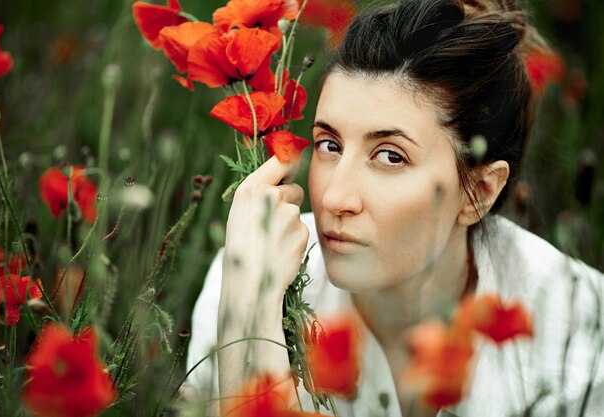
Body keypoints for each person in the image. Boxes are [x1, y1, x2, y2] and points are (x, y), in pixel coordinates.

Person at [185, 0, 604, 416]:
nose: (334, 198)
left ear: (478, 191)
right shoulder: (253, 269)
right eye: (330, 145)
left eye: (390, 156)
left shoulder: (577, 331)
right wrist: (250, 315)